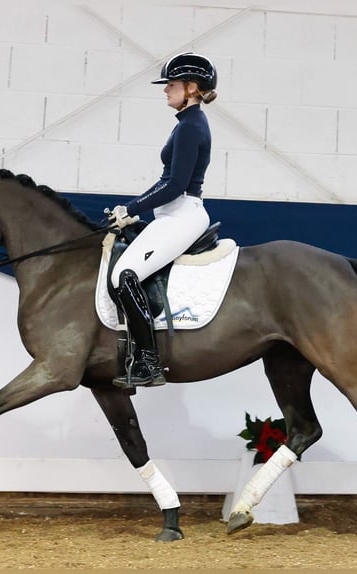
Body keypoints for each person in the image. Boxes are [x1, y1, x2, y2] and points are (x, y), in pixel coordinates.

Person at [109, 52, 218, 388]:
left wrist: (132, 209)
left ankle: (148, 362)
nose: (165, 90)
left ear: (192, 87)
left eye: (171, 84)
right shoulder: (186, 124)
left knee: (125, 275)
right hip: (172, 213)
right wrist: (131, 207)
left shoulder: (190, 128)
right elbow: (164, 181)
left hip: (182, 214)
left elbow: (175, 185)